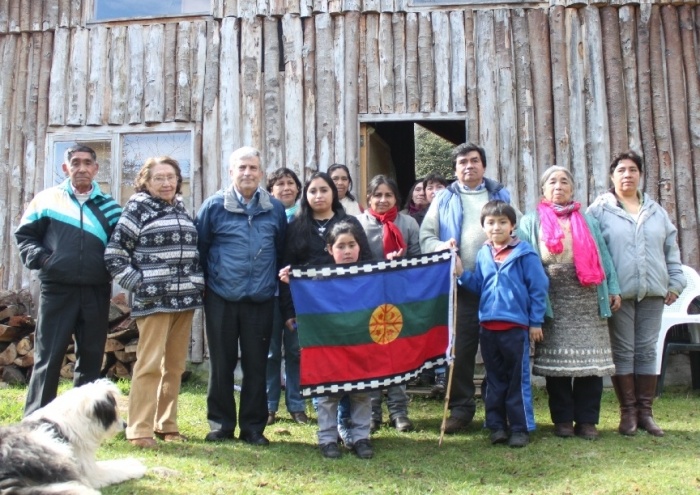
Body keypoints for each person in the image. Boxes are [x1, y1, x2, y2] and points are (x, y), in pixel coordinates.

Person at [104, 156, 204, 448]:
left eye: (171, 177)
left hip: (185, 299)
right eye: (159, 178)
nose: (166, 183)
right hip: (154, 300)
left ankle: (166, 424)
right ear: (146, 182)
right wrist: (139, 283)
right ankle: (139, 429)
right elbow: (114, 254)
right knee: (149, 365)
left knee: (174, 366)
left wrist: (197, 281)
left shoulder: (181, 207)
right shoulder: (137, 208)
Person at [15, 145, 121, 416]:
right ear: (66, 168)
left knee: (90, 356)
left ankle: (83, 420)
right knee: (48, 356)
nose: (82, 168)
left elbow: (121, 245)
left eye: (88, 163)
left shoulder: (109, 207)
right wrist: (45, 261)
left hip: (96, 289)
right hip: (57, 289)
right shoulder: (47, 200)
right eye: (76, 162)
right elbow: (25, 237)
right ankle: (37, 417)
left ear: (97, 169)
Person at [588, 150, 686, 437]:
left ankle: (646, 413)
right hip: (621, 295)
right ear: (612, 176)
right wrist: (605, 289)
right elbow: (596, 253)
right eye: (621, 170)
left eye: (632, 170)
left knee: (646, 349)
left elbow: (671, 249)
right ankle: (627, 413)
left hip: (654, 291)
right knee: (624, 351)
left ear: (640, 175)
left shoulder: (656, 211)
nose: (627, 175)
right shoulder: (600, 210)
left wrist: (675, 282)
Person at [518, 166, 620, 440]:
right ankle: (562, 420)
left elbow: (604, 257)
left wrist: (613, 288)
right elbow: (527, 263)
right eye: (552, 181)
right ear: (543, 189)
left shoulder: (587, 221)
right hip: (552, 299)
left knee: (591, 366)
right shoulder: (530, 221)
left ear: (573, 189)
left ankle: (587, 421)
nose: (559, 186)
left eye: (564, 181)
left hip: (588, 298)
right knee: (557, 366)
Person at [420, 142, 516, 433]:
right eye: (462, 162)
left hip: (497, 286)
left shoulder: (499, 194)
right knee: (459, 350)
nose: (469, 166)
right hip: (459, 287)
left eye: (474, 161)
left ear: (483, 166)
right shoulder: (444, 199)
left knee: (497, 350)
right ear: (455, 169)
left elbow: (518, 231)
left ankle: (496, 409)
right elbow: (426, 237)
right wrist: (442, 246)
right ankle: (461, 408)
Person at [196, 146, 287, 446]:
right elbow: (202, 248)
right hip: (221, 297)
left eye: (252, 168)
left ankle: (252, 427)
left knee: (256, 365)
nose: (247, 173)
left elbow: (281, 251)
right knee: (221, 364)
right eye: (241, 168)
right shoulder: (213, 207)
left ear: (261, 173)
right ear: (231, 172)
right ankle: (221, 424)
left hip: (261, 299)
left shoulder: (274, 209)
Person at [279, 220, 374, 459]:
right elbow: (307, 299)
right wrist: (294, 281)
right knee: (328, 393)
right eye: (341, 246)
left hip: (360, 345)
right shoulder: (317, 278)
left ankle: (362, 437)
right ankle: (327, 438)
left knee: (361, 392)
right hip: (329, 347)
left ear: (359, 247)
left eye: (352, 245)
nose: (347, 251)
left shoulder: (372, 275)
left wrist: (395, 268)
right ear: (330, 249)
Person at [457, 200, 548, 448]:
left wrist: (535, 322)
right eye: (490, 223)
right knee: (494, 379)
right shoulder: (484, 252)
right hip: (488, 328)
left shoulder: (524, 253)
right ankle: (496, 426)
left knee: (517, 379)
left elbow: (538, 288)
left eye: (502, 222)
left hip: (515, 328)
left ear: (512, 225)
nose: (496, 227)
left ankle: (520, 428)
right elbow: (479, 285)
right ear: (483, 227)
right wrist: (461, 274)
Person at [356, 175, 420, 433]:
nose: (382, 200)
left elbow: (418, 260)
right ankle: (372, 412)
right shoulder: (357, 224)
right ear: (369, 198)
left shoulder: (408, 223)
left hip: (399, 299)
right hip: (367, 301)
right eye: (377, 195)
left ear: (396, 198)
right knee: (370, 356)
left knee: (397, 354)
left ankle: (399, 411)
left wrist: (401, 265)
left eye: (388, 195)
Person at [265, 167, 308, 425]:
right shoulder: (266, 216)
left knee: (295, 351)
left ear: (298, 188)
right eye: (279, 184)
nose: (285, 188)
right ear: (271, 190)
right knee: (270, 352)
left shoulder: (304, 219)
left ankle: (296, 405)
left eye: (290, 183)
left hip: (297, 296)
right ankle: (269, 406)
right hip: (269, 293)